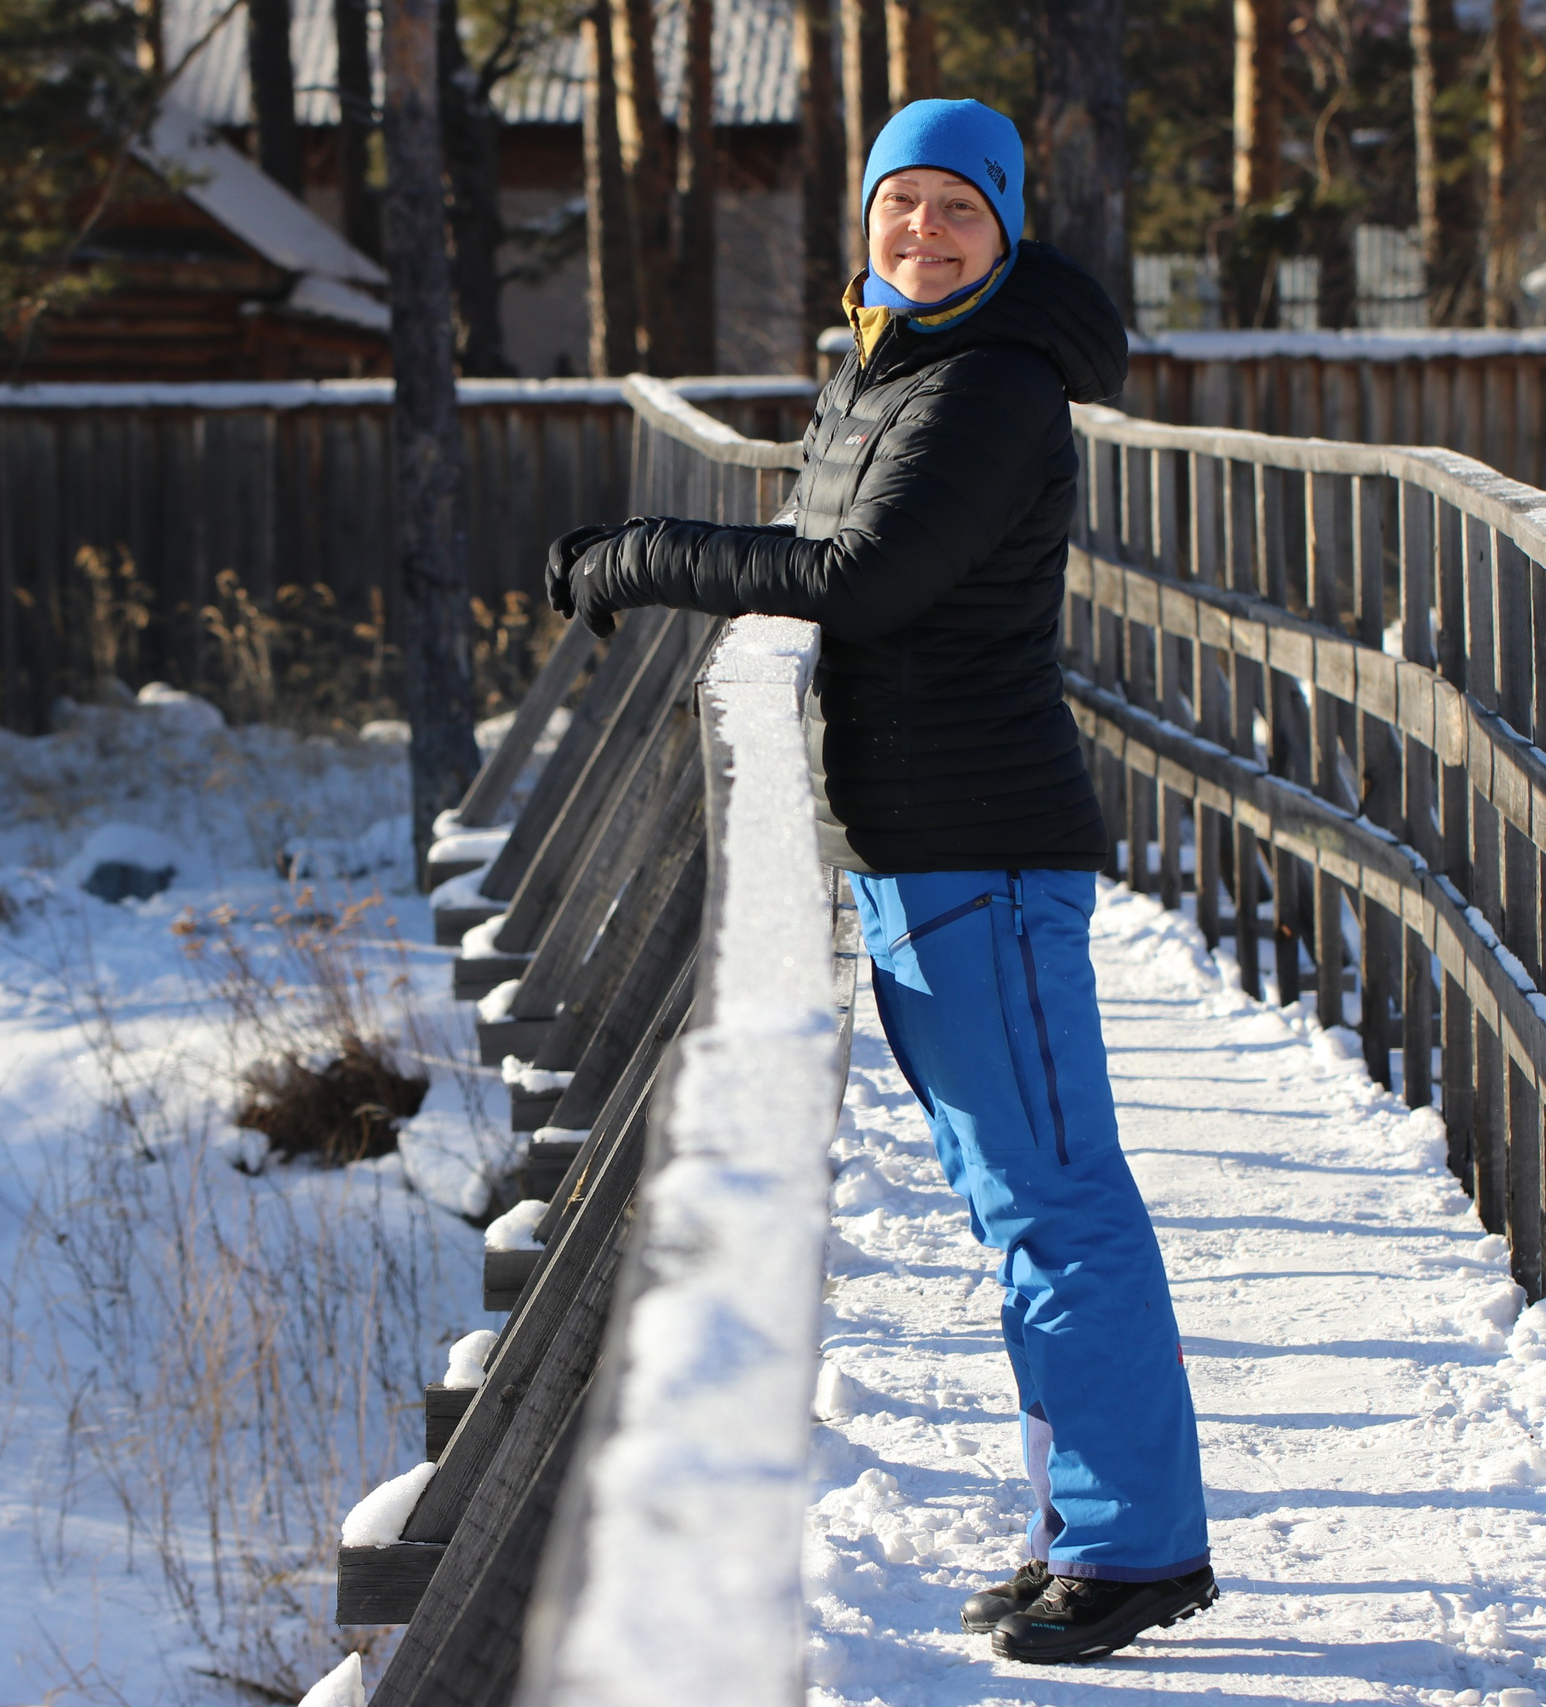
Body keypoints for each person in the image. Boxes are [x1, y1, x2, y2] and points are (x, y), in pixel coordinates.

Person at [543, 97, 1213, 1665]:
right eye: (899, 207)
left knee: (1058, 1209)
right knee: (1017, 1212)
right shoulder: (894, 374)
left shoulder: (986, 385)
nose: (924, 236)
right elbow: (833, 553)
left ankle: (1134, 1551)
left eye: (957, 213)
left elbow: (868, 581)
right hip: (916, 848)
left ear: (1008, 227)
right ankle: (1077, 1536)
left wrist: (640, 556)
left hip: (982, 852)